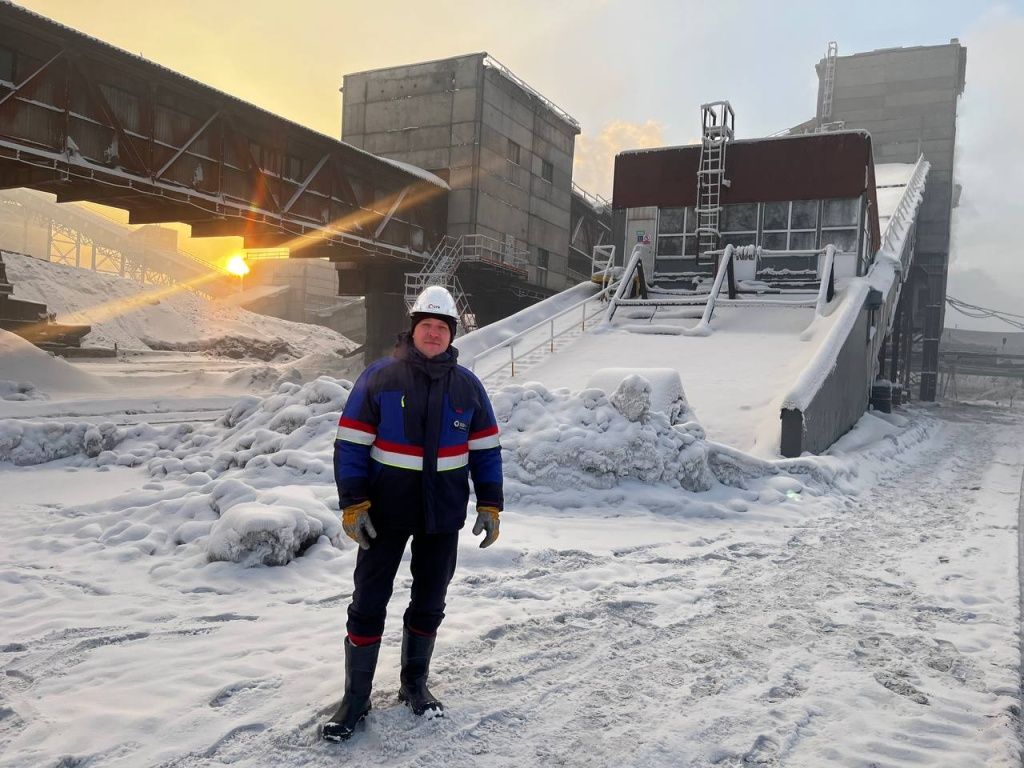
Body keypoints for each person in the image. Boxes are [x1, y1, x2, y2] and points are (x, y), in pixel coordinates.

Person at [322, 285, 503, 742]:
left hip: (441, 513)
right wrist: (353, 502)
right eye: (426, 326)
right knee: (368, 602)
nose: (433, 334)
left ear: (451, 334)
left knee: (430, 600)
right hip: (384, 511)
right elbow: (351, 443)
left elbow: (485, 449)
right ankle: (356, 698)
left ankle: (414, 685)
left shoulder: (468, 386)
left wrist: (489, 502)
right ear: (413, 330)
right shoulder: (380, 377)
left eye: (441, 328)